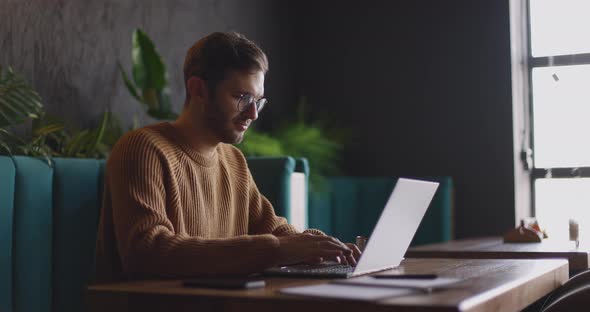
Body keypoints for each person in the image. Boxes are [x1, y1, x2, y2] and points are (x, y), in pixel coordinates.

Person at [95, 32, 361, 282]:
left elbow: (273, 229)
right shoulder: (143, 148)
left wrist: (322, 246)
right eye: (242, 97)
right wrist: (278, 249)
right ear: (198, 89)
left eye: (258, 101)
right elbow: (147, 253)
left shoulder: (233, 161)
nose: (253, 114)